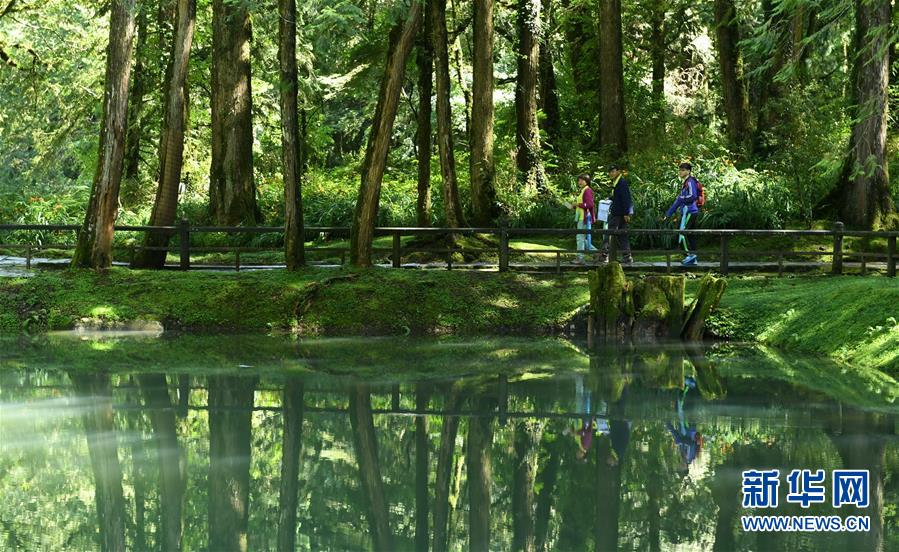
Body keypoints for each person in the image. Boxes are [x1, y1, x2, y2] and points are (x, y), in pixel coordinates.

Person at [665, 162, 700, 266]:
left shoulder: (690, 182)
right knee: (690, 235)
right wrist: (668, 214)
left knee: (682, 233)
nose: (680, 172)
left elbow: (693, 196)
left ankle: (690, 256)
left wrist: (681, 198)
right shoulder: (685, 183)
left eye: (683, 170)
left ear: (688, 171)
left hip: (690, 212)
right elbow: (678, 201)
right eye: (680, 170)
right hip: (688, 212)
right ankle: (693, 258)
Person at [598, 164, 634, 264]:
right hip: (620, 213)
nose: (611, 173)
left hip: (619, 213)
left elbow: (626, 198)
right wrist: (610, 198)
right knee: (622, 235)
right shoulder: (617, 182)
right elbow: (618, 197)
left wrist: (627, 213)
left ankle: (604, 255)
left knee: (609, 233)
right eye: (610, 172)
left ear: (618, 171)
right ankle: (627, 257)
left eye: (613, 171)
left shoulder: (621, 182)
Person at [569, 174, 598, 264]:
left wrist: (577, 204)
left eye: (582, 180)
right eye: (579, 180)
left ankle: (580, 258)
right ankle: (597, 253)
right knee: (582, 238)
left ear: (587, 181)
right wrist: (574, 206)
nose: (580, 182)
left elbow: (589, 204)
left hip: (584, 218)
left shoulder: (587, 190)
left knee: (580, 238)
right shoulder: (583, 190)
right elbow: (584, 204)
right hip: (582, 218)